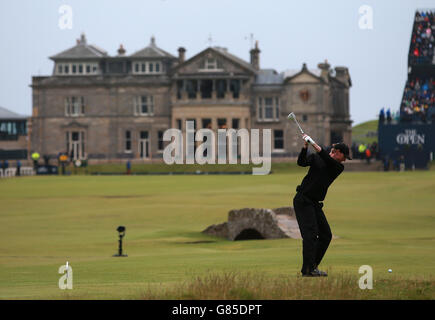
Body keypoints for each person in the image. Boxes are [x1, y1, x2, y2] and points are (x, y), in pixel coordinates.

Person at [293, 133, 351, 277]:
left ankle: (312, 267)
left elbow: (327, 159)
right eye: (344, 156)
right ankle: (308, 270)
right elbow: (301, 162)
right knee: (310, 236)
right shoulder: (317, 158)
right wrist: (305, 146)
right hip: (303, 200)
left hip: (315, 203)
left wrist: (314, 144)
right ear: (338, 153)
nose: (344, 160)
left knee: (326, 235)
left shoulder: (338, 167)